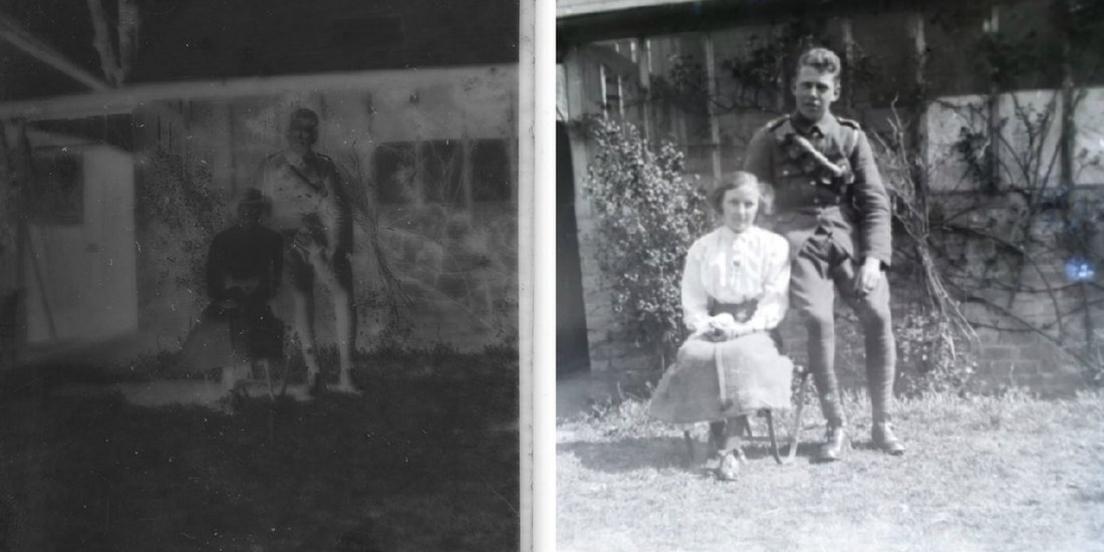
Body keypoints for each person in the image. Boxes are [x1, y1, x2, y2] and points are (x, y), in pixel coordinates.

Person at [743, 47, 905, 461]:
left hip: (846, 243)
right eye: (805, 86)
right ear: (793, 87)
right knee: (817, 319)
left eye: (821, 87)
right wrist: (763, 251)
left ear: (835, 92)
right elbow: (748, 201)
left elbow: (874, 202)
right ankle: (836, 426)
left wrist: (874, 259)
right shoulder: (770, 138)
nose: (812, 94)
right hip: (796, 244)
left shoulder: (851, 137)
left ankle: (882, 421)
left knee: (879, 314)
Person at [648, 172, 794, 481]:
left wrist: (745, 328)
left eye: (748, 204)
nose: (741, 212)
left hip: (757, 330)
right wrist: (706, 324)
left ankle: (731, 446)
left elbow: (774, 300)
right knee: (693, 355)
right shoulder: (703, 248)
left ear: (759, 206)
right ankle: (716, 430)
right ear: (720, 204)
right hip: (713, 326)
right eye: (733, 203)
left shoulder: (773, 246)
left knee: (738, 356)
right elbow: (693, 299)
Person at [256, 108, 359, 394]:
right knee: (302, 299)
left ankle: (347, 373)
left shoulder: (324, 166)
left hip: (322, 240)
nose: (304, 135)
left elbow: (337, 206)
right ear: (288, 132)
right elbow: (260, 209)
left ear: (315, 134)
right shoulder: (272, 166)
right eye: (298, 129)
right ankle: (315, 373)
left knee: (344, 296)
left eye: (309, 130)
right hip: (288, 241)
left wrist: (337, 246)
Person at [203, 188, 284, 396]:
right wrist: (221, 297)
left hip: (259, 299)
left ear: (260, 211)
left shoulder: (272, 239)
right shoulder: (222, 239)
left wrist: (263, 289)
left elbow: (276, 277)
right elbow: (212, 276)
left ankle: (239, 375)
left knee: (249, 316)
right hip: (230, 297)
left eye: (253, 209)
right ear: (237, 211)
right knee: (224, 316)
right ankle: (233, 378)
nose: (248, 214)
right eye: (244, 209)